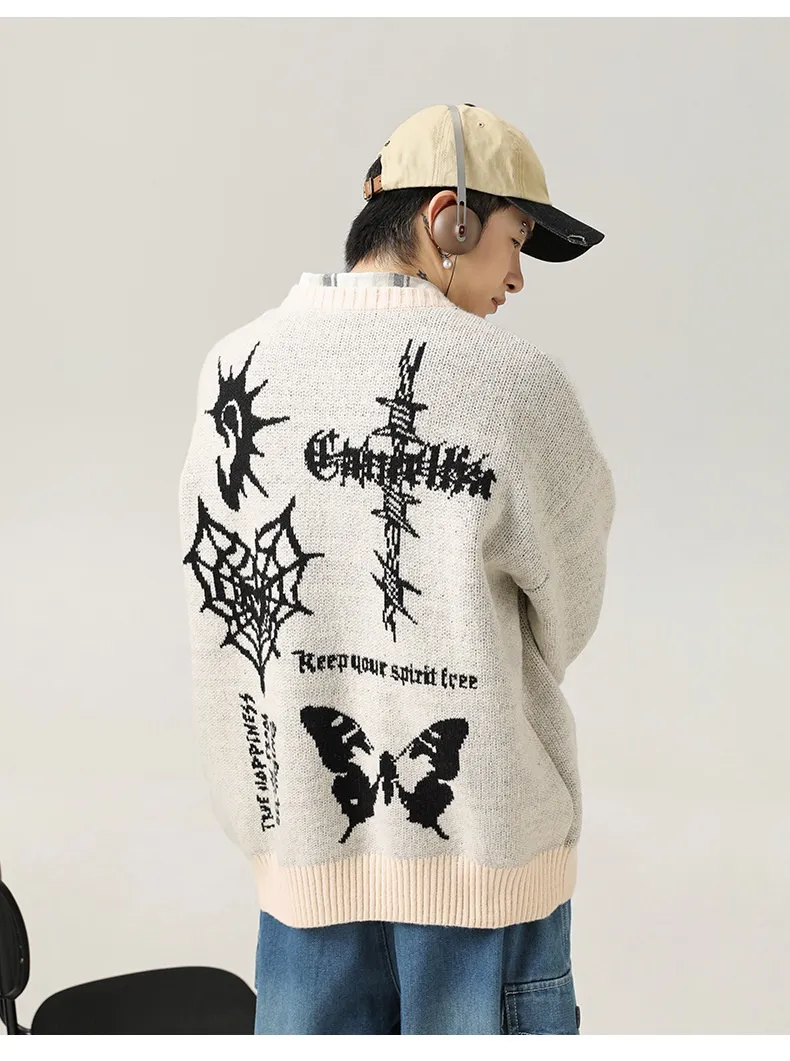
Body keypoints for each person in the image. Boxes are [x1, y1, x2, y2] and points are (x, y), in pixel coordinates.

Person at [177, 103, 615, 1035]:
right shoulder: (518, 386)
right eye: (515, 241)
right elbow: (569, 611)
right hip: (488, 877)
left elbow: (217, 614)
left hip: (304, 870)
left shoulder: (234, 368)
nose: (518, 277)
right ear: (449, 219)